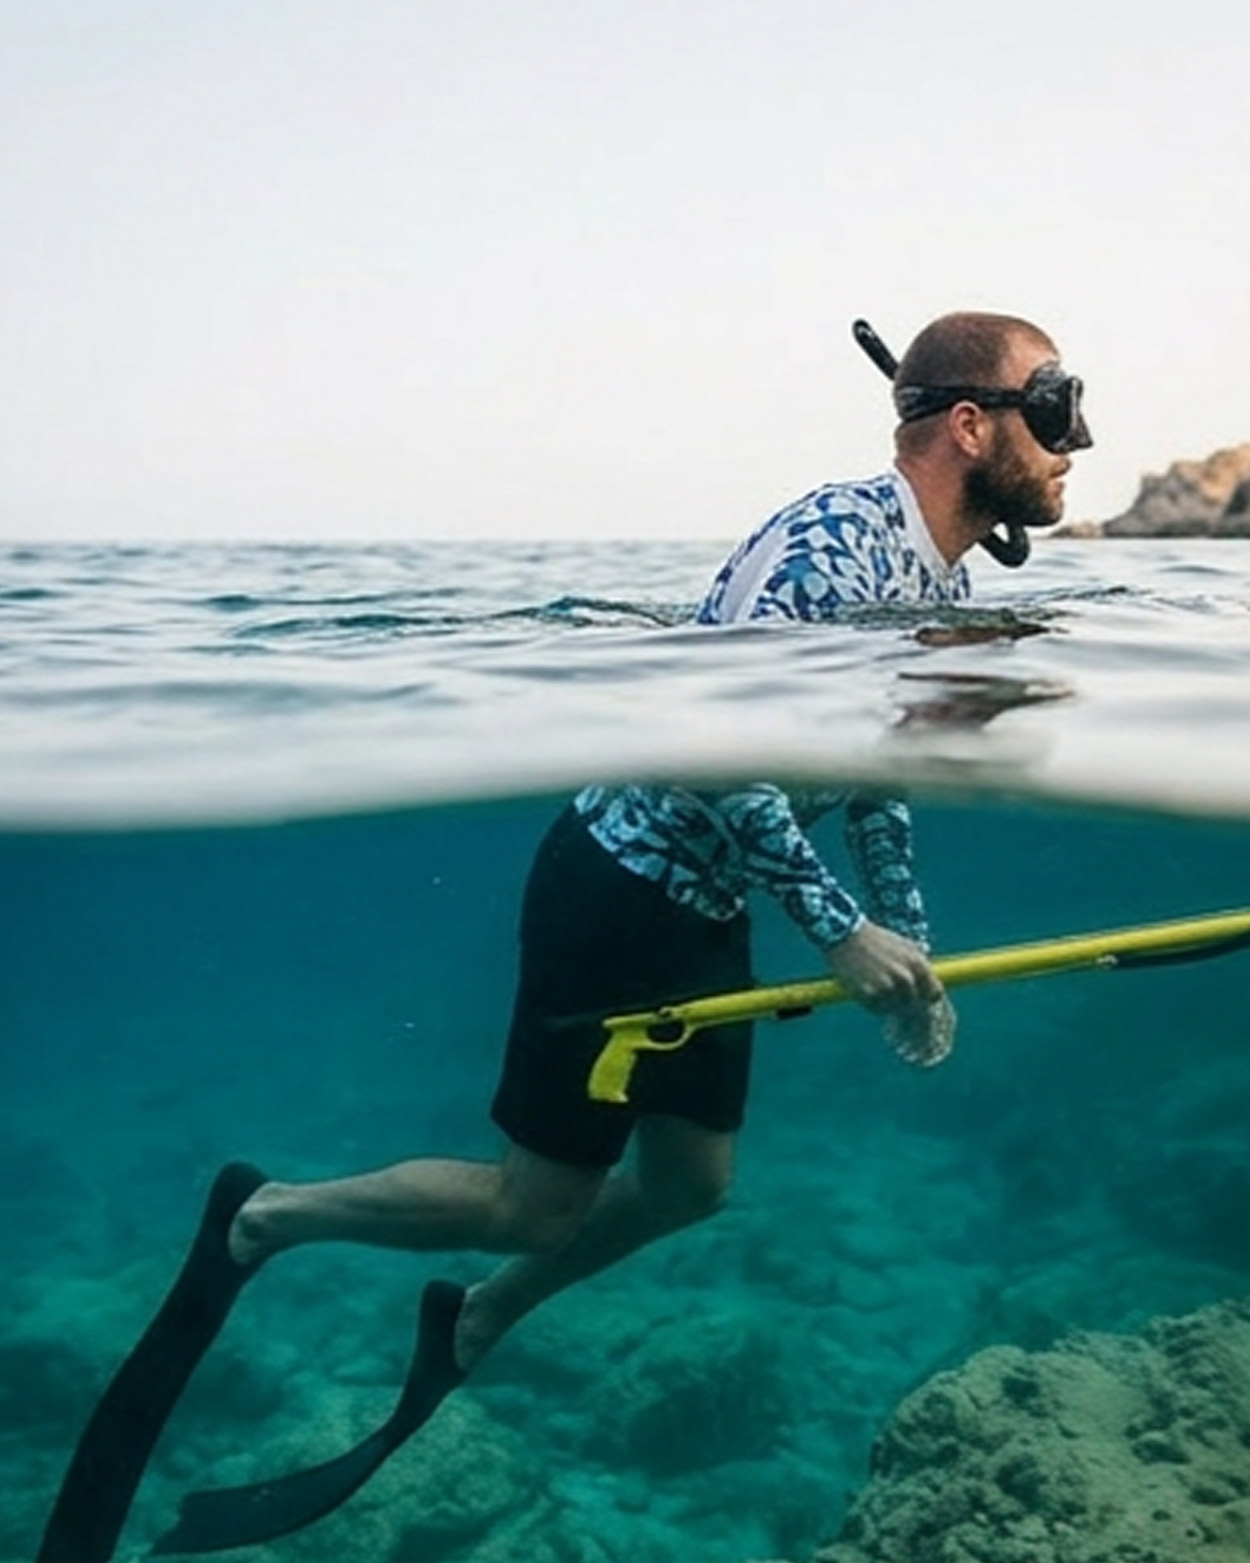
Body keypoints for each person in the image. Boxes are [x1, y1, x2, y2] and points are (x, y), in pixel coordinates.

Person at [39, 310, 1093, 1560]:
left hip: (704, 900)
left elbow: (879, 775)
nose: (1073, 440)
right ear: (968, 424)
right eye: (1053, 403)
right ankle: (262, 1215)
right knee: (540, 1202)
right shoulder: (829, 546)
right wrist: (836, 932)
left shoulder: (943, 580)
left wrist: (905, 944)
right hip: (619, 889)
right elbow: (718, 758)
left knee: (693, 1183)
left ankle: (479, 1317)